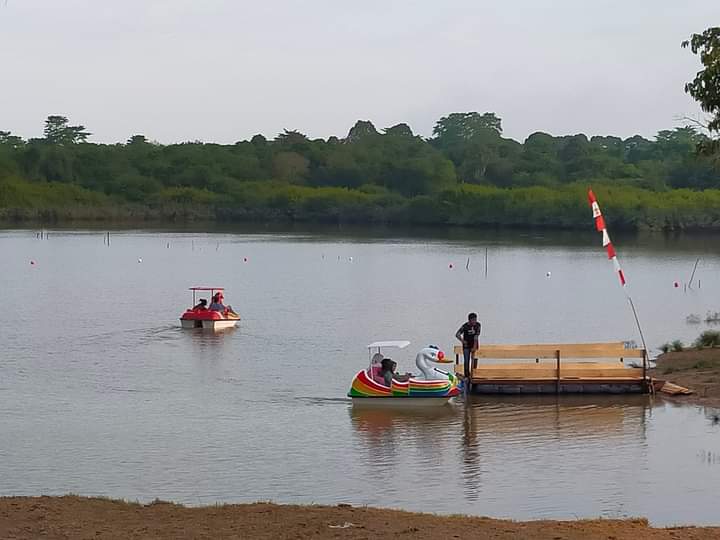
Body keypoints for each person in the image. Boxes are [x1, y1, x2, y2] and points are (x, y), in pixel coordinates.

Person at [456, 312, 481, 382]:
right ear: (469, 320)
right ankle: (467, 376)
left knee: (475, 360)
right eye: (473, 320)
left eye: (475, 320)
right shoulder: (465, 326)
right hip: (466, 346)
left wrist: (474, 347)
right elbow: (457, 334)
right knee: (466, 361)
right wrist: (462, 341)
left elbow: (476, 336)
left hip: (474, 345)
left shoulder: (478, 325)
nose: (474, 322)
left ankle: (474, 374)